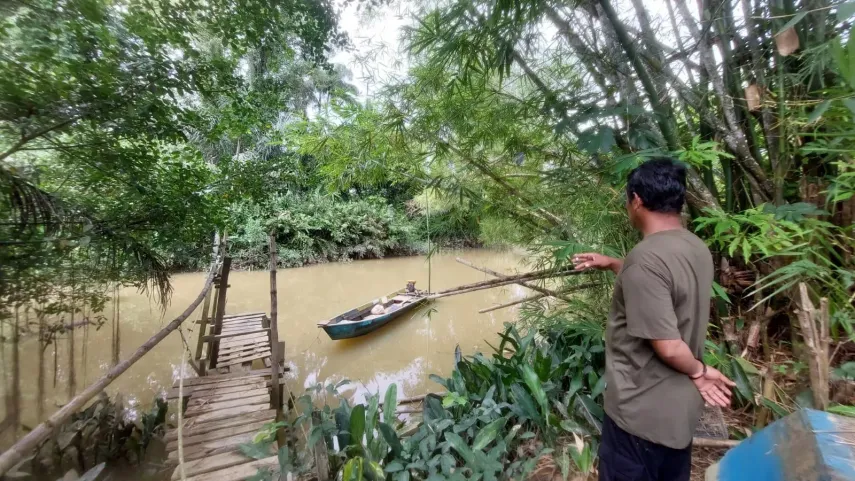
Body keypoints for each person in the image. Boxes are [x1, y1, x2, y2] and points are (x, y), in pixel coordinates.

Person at [572, 158, 735, 481]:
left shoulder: (645, 260)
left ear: (636, 200)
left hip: (641, 415)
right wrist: (615, 264)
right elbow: (665, 286)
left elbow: (669, 346)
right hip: (678, 414)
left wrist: (700, 371)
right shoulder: (695, 247)